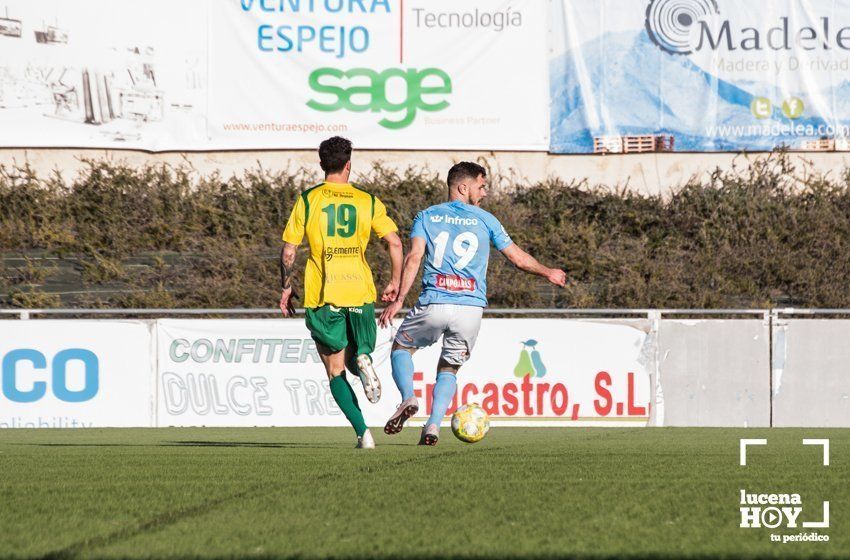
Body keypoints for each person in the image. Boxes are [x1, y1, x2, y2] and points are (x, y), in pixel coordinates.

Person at [378, 162, 566, 445]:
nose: (485, 192)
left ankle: (408, 398)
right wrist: (547, 271)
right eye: (482, 186)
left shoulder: (427, 216)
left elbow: (414, 257)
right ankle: (432, 427)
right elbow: (516, 258)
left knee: (402, 348)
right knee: (449, 368)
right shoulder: (487, 220)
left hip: (434, 302)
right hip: (470, 309)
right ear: (463, 187)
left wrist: (400, 300)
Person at [280, 136, 403, 449]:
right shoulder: (368, 200)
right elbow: (395, 243)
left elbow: (288, 252)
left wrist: (286, 287)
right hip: (360, 292)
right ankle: (363, 356)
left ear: (323, 165)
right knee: (355, 357)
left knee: (336, 371)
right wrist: (395, 282)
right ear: (349, 165)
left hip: (324, 296)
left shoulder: (308, 200)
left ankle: (364, 434)